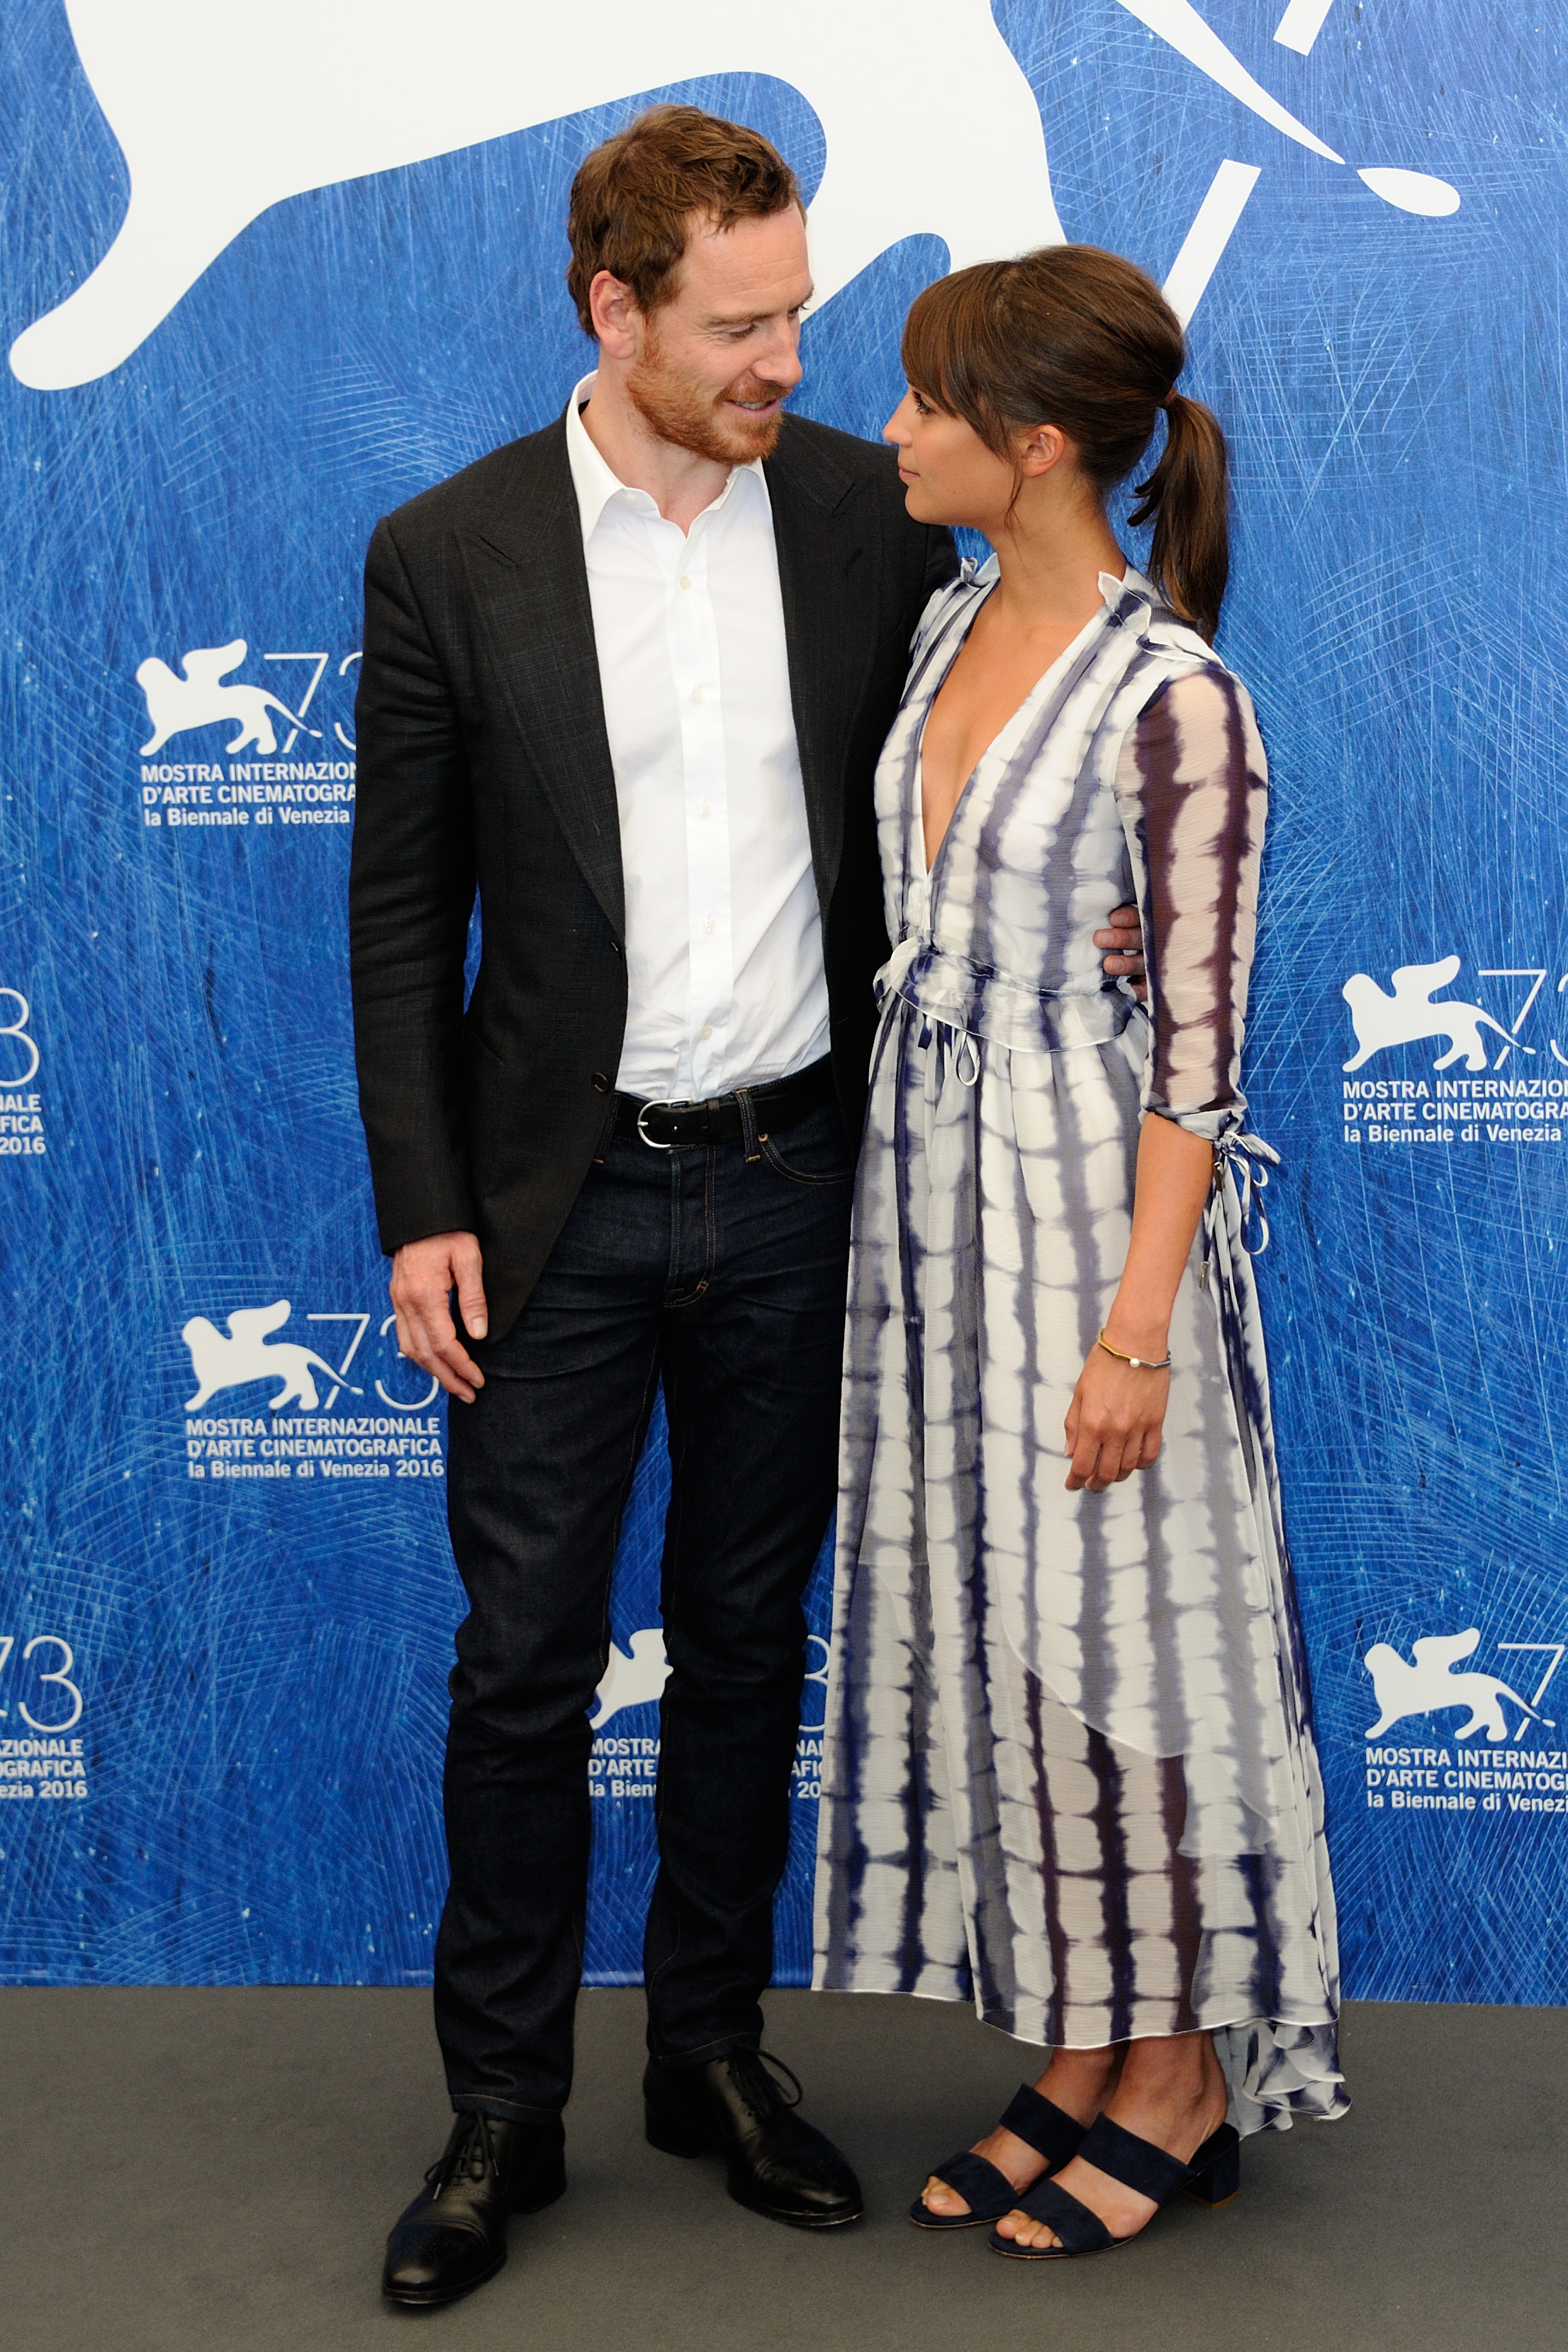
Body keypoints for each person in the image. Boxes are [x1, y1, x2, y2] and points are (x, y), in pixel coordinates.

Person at [351, 106, 1148, 2307]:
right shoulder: (448, 551)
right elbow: (400, 916)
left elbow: (1049, 692)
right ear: (612, 310)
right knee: (523, 1665)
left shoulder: (869, 512)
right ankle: (500, 2107)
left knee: (743, 1645)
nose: (787, 360)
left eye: (796, 313)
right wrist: (422, 1204)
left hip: (806, 1187)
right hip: (553, 1206)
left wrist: (1100, 891)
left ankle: (708, 2056)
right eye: (738, 326)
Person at [812, 245, 1346, 2264]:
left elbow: (1201, 1059)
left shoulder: (1175, 697)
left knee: (1132, 1648)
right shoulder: (948, 622)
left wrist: (1136, 1336)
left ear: (1035, 444)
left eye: (926, 402)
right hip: (932, 1212)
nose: (890, 430)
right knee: (1005, 1642)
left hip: (1093, 1225)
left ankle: (1182, 2072)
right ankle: (1085, 2040)